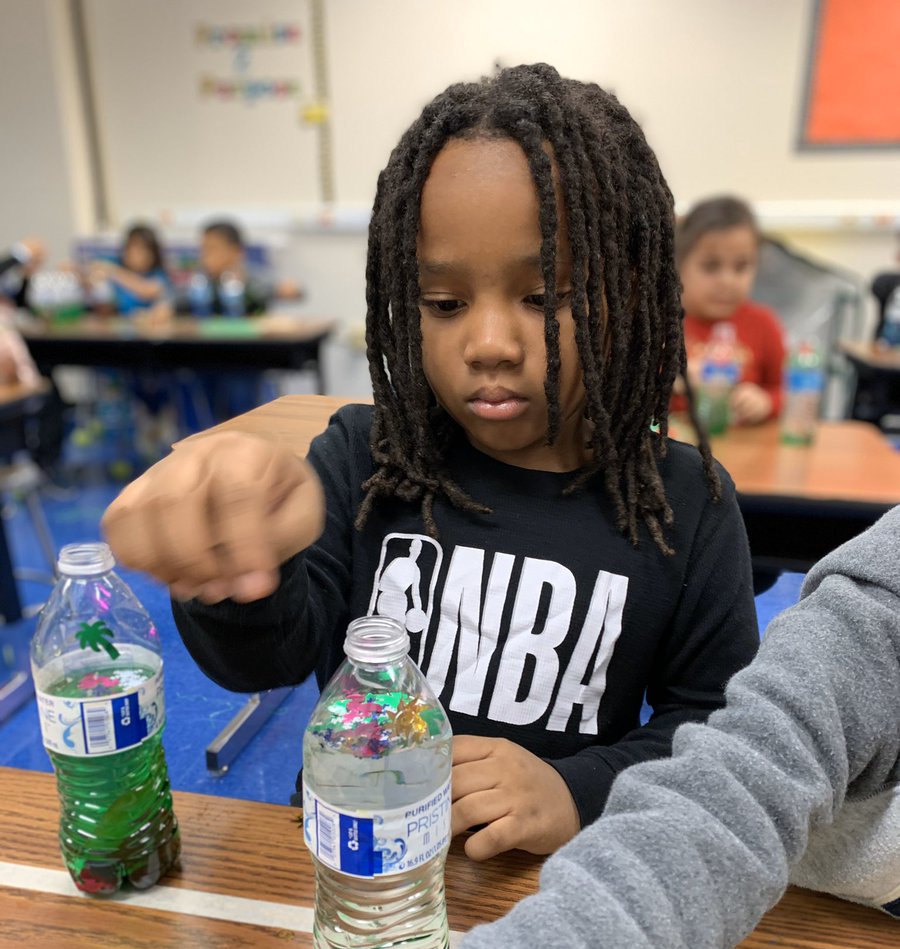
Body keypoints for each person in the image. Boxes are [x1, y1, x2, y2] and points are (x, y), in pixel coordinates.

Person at [103, 63, 760, 861]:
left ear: (627, 291)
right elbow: (264, 660)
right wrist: (233, 569)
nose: (487, 344)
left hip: (553, 902)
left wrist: (578, 791)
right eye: (443, 305)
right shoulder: (367, 459)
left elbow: (713, 733)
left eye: (546, 298)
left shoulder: (685, 504)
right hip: (355, 875)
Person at [299, 502, 900, 949]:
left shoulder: (686, 504)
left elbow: (701, 718)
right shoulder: (870, 627)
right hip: (440, 940)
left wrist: (576, 791)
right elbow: (731, 781)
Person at [676, 196, 786, 425]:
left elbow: (788, 391)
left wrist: (766, 401)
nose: (727, 281)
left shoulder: (764, 324)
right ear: (679, 265)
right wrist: (674, 380)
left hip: (745, 449)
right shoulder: (660, 324)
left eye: (741, 267)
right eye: (711, 266)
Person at [86, 223, 170, 315]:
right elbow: (93, 268)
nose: (135, 254)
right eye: (132, 247)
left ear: (153, 253)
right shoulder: (114, 262)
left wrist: (112, 271)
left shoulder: (158, 274)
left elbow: (148, 290)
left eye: (143, 249)